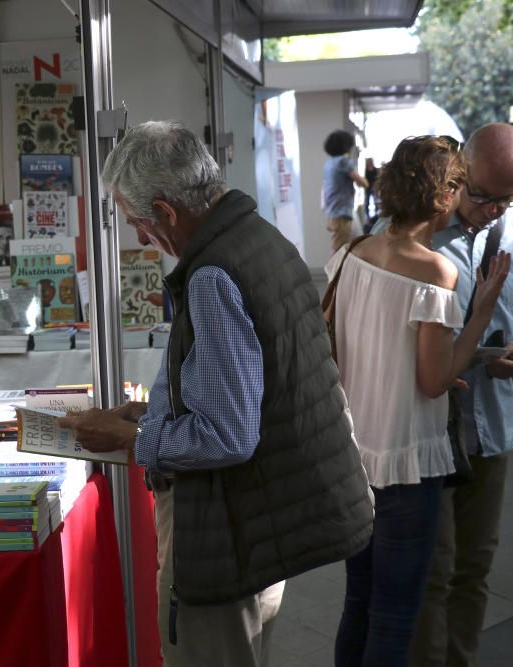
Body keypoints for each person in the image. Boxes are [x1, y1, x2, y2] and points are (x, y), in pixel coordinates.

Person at [59, 121, 374, 666]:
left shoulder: (211, 275)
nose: (139, 237)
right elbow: (255, 381)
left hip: (224, 526)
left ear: (168, 210)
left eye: (138, 221)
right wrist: (155, 409)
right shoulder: (259, 237)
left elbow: (226, 435)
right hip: (262, 514)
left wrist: (135, 436)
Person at [328, 135, 509, 667]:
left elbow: (338, 356)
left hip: (358, 455)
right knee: (396, 614)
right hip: (409, 459)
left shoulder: (349, 253)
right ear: (447, 191)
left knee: (358, 603)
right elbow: (434, 380)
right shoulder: (436, 271)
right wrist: (481, 315)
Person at [408, 123, 513, 667]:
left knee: (475, 568)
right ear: (459, 170)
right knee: (435, 569)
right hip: (427, 428)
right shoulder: (416, 232)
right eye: (481, 194)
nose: (492, 209)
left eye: (506, 199)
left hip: (493, 428)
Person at [323, 130, 369, 253]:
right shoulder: (342, 162)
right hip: (342, 212)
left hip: (332, 212)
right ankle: (335, 272)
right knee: (340, 250)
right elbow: (362, 182)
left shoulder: (329, 163)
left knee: (341, 246)